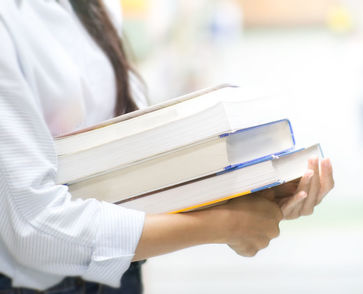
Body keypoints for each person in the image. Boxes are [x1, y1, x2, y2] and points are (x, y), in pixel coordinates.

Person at [0, 0, 334, 293]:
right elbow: (34, 228)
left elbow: (122, 174)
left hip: (119, 276)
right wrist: (226, 223)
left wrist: (244, 191)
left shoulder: (91, 7)